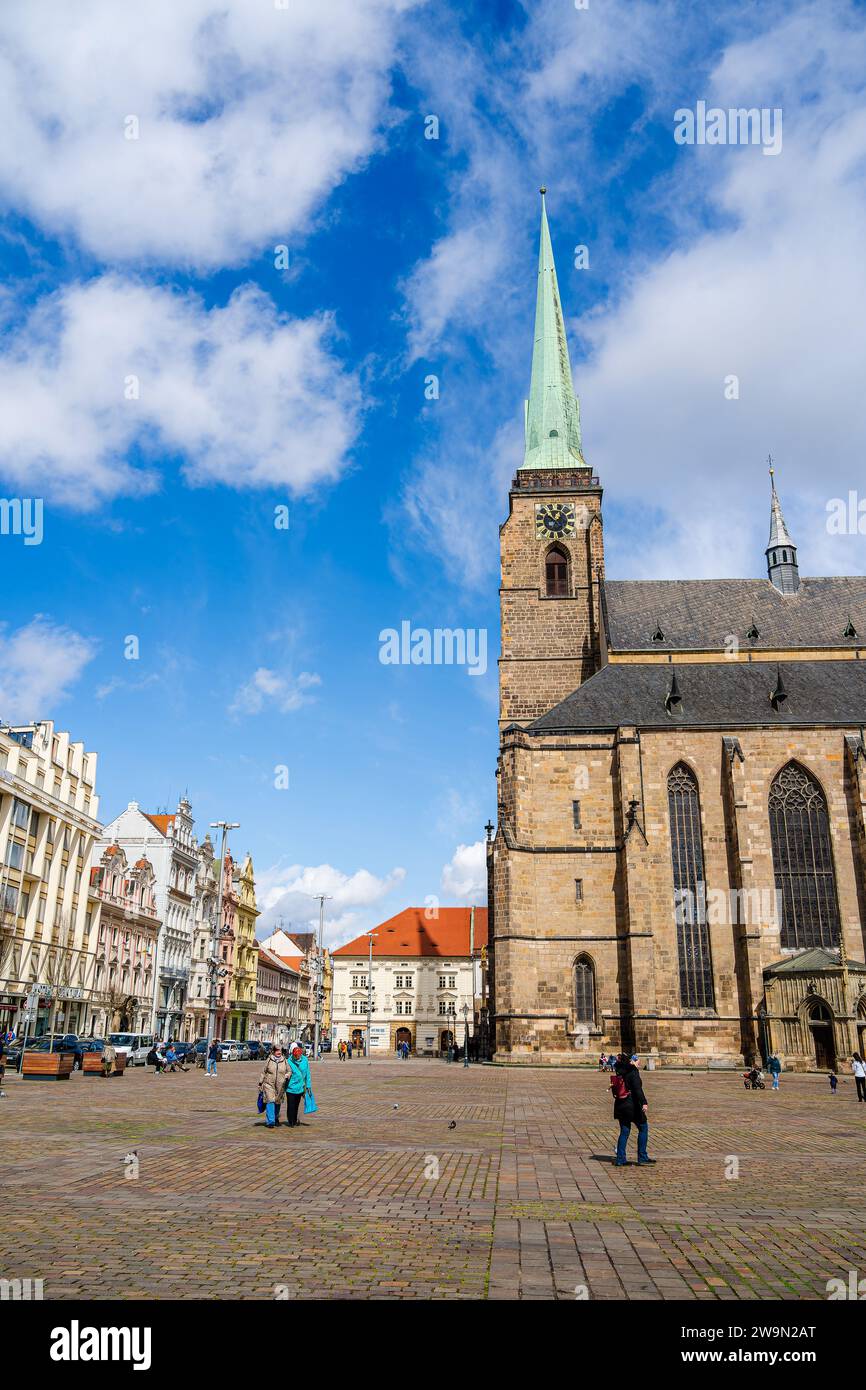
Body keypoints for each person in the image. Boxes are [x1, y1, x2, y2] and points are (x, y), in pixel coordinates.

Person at [611, 1052, 655, 1166]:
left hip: (620, 1104)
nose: (638, 1061)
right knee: (643, 1127)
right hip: (632, 1105)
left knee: (625, 1131)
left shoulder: (619, 1070)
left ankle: (620, 1159)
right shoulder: (633, 1071)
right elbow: (637, 1090)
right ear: (631, 1061)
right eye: (636, 1059)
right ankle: (642, 1157)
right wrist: (644, 1103)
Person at [258, 1045, 289, 1129]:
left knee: (277, 1102)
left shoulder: (284, 1061)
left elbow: (289, 1071)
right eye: (277, 1051)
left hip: (280, 1085)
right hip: (269, 1084)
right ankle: (270, 1121)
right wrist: (260, 1082)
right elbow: (263, 1071)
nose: (279, 1052)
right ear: (273, 1052)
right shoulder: (269, 1060)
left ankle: (275, 1117)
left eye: (280, 1051)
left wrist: (288, 1075)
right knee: (270, 1101)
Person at [285, 1041, 312, 1127]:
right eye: (295, 1056)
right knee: (290, 1105)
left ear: (300, 1053)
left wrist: (308, 1086)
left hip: (300, 1087)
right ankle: (291, 1121)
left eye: (298, 1055)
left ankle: (294, 1119)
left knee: (296, 1105)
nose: (297, 1057)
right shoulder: (288, 1061)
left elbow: (307, 1074)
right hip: (290, 1087)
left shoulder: (305, 1060)